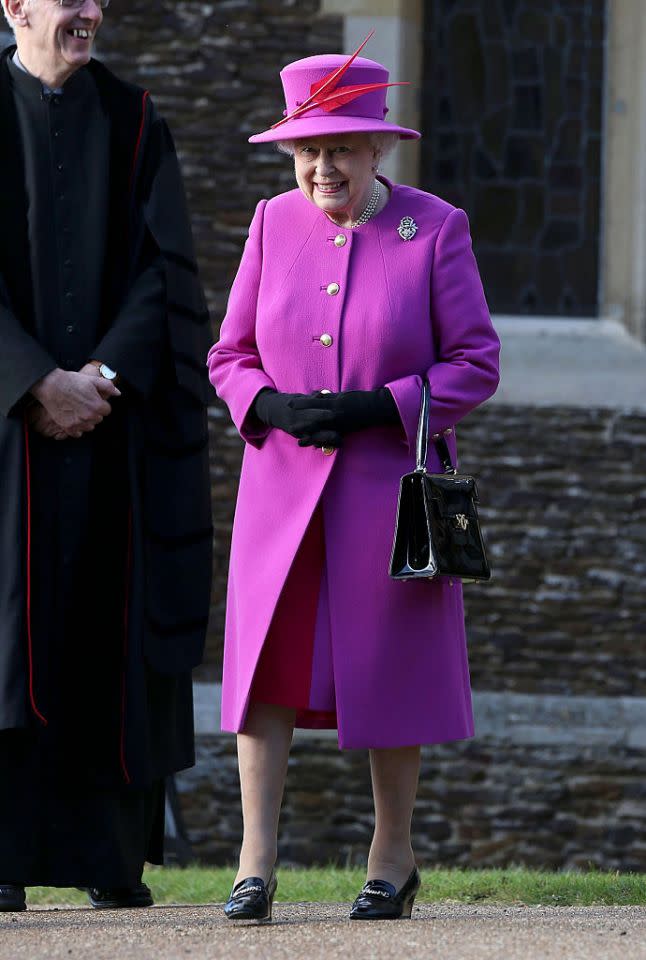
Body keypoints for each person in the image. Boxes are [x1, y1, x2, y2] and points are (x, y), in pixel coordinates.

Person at [208, 34, 500, 922]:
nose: (322, 166)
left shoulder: (434, 227)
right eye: (307, 150)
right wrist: (264, 406)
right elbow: (230, 352)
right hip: (281, 490)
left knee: (392, 667)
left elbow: (476, 363)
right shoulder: (269, 222)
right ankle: (256, 859)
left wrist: (387, 405)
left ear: (378, 146)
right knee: (266, 669)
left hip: (388, 491)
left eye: (340, 147)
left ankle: (393, 855)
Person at [0, 0, 212, 911]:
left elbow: (165, 270)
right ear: (15, 8)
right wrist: (34, 381)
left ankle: (109, 859)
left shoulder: (136, 117)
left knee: (106, 630)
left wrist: (101, 377)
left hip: (112, 434)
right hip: (4, 438)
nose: (89, 12)